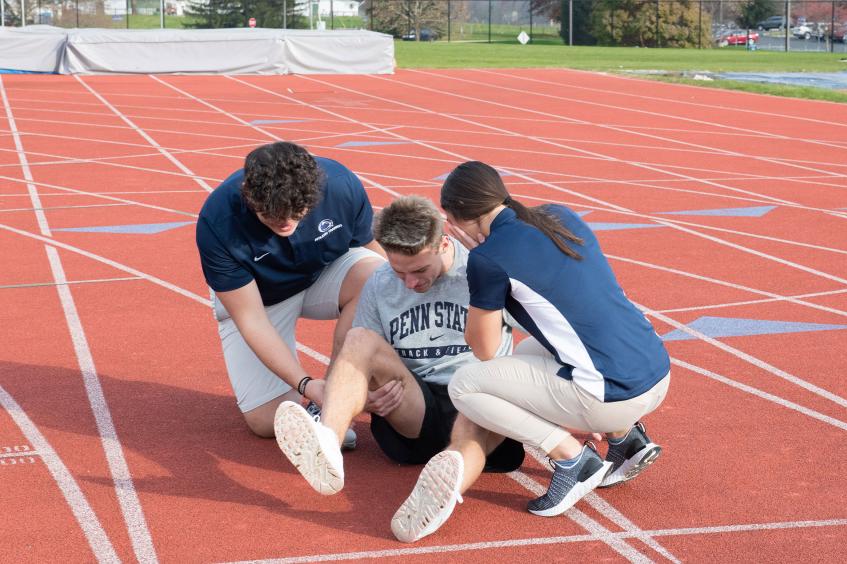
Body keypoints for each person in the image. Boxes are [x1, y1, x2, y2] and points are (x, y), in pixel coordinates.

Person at [418, 160, 671, 528]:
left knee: (466, 385)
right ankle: (627, 441)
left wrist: (480, 268)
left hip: (612, 397)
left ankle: (571, 458)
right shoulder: (558, 214)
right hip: (656, 372)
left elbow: (484, 349)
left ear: (454, 221)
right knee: (525, 353)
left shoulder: (487, 260)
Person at [271, 195, 525, 541]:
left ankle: (443, 491)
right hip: (412, 406)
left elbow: (548, 332)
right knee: (358, 338)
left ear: (443, 243)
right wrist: (365, 397)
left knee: (477, 418)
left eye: (420, 270)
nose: (409, 283)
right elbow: (359, 360)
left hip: (477, 399)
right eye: (398, 270)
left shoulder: (483, 272)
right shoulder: (379, 281)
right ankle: (327, 442)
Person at [195, 141, 385, 441]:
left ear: (315, 192)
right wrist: (306, 385)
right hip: (259, 297)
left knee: (378, 276)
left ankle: (334, 399)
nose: (285, 221)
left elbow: (375, 250)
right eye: (271, 215)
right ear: (248, 195)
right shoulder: (217, 221)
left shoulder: (340, 185)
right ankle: (318, 398)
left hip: (323, 272)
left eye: (297, 212)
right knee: (267, 422)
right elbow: (251, 319)